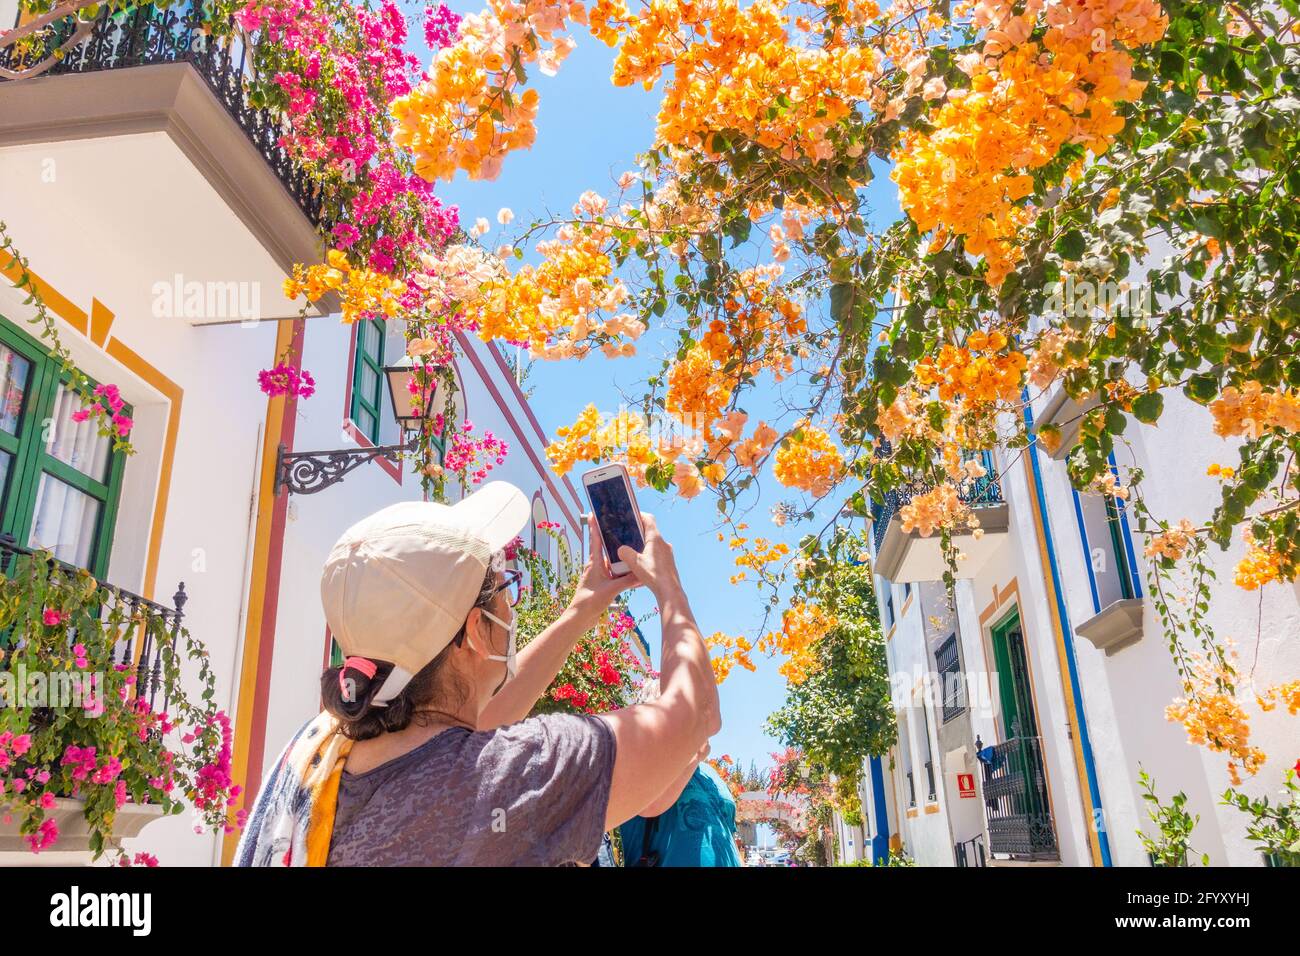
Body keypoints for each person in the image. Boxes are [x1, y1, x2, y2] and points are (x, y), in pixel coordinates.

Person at [235, 481, 720, 866]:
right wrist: (669, 586)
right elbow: (694, 712)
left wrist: (583, 608)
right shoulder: (503, 779)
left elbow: (475, 724)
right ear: (473, 631)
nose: (511, 606)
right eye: (503, 586)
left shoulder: (323, 746)